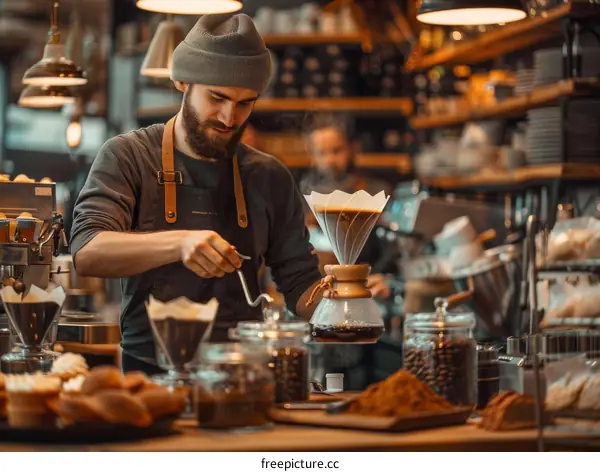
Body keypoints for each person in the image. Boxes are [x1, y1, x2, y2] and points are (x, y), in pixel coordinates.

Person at [69, 13, 322, 374]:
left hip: (242, 372)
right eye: (217, 97)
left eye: (245, 103)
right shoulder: (129, 155)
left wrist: (342, 302)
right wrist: (181, 243)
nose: (229, 117)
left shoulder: (269, 175)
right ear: (182, 81)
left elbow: (300, 284)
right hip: (150, 372)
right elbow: (88, 251)